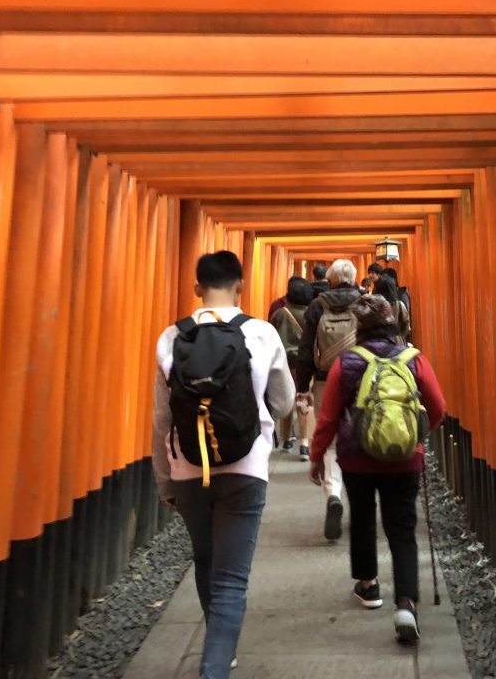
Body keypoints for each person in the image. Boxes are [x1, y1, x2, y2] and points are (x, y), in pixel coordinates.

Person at [153, 250, 295, 679]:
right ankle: (215, 665)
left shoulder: (171, 337)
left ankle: (220, 647)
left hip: (188, 467)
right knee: (231, 578)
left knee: (206, 560)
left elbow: (162, 419)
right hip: (246, 466)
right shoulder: (262, 333)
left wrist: (165, 482)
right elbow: (285, 401)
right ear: (241, 286)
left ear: (197, 289)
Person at [309, 295, 447, 643]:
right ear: (393, 325)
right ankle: (406, 604)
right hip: (404, 458)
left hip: (357, 458)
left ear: (360, 328)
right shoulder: (414, 360)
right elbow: (438, 407)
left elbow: (327, 417)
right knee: (402, 528)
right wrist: (414, 434)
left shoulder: (347, 362)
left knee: (364, 519)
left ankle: (369, 586)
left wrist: (316, 456)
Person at [295, 258, 361, 541]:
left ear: (331, 280)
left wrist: (303, 387)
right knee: (360, 435)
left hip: (325, 380)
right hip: (362, 378)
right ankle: (359, 498)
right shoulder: (365, 302)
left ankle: (333, 493)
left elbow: (306, 348)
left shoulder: (317, 306)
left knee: (332, 438)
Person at [269, 276, 315, 458]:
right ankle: (305, 443)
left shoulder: (280, 313)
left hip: (285, 363)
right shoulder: (312, 313)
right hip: (305, 363)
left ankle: (287, 439)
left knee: (286, 398)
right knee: (304, 399)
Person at [372, 276, 411, 344]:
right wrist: (400, 335)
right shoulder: (399, 304)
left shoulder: (374, 306)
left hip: (378, 341)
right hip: (396, 341)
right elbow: (406, 323)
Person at [381, 267, 412, 343]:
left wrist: (401, 335)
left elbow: (406, 320)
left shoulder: (401, 294)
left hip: (396, 338)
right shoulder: (381, 298)